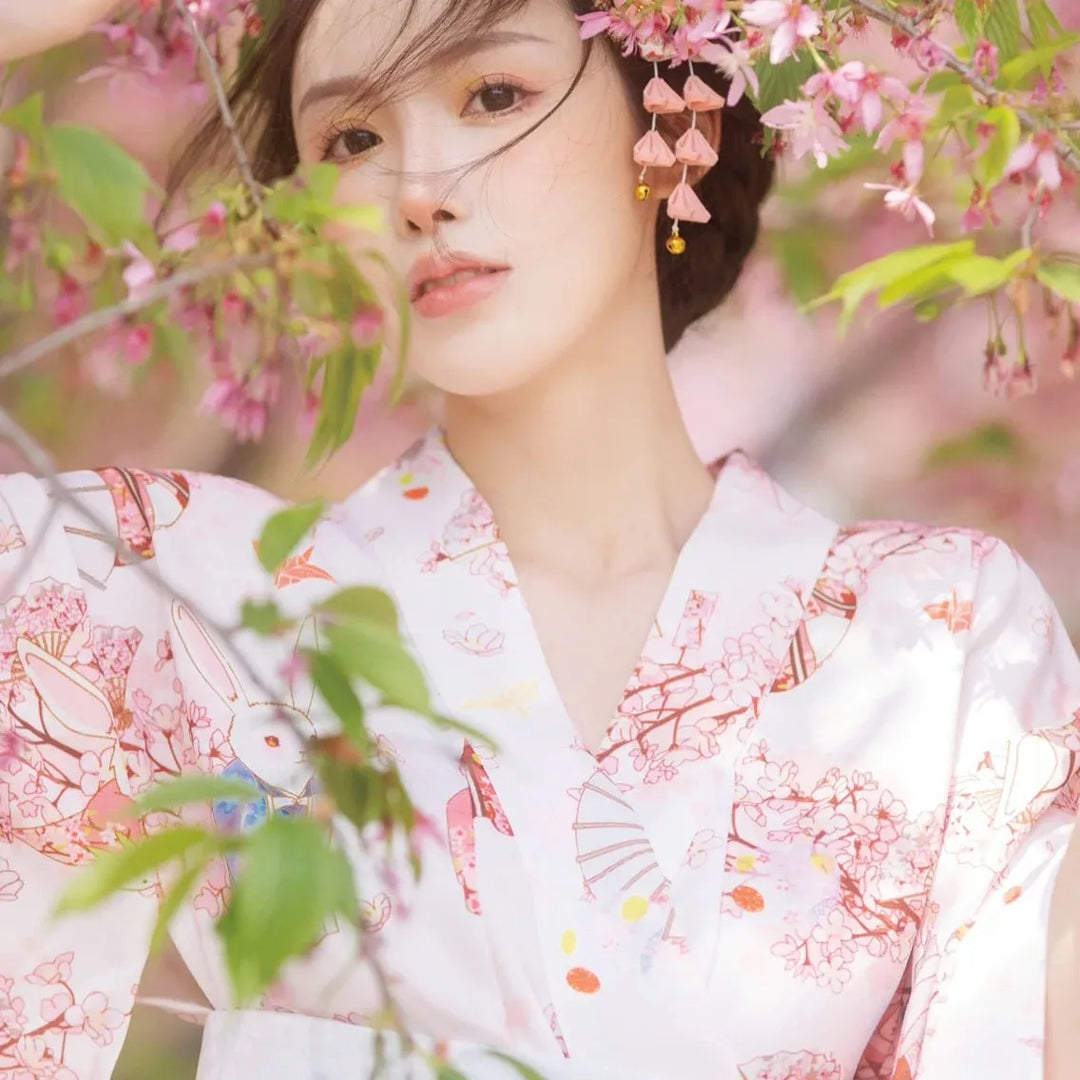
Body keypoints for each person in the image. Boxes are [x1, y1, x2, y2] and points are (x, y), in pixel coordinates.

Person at [1, 1, 1079, 1077]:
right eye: (354, 142)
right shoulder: (186, 595)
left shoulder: (941, 642)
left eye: (494, 96)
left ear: (678, 124)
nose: (420, 192)